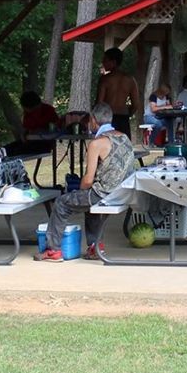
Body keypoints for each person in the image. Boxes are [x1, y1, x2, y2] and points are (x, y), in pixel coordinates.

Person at [39, 102, 136, 262]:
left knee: (61, 203)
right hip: (123, 193)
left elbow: (88, 179)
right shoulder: (124, 137)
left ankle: (53, 250)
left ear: (93, 120)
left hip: (104, 194)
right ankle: (95, 248)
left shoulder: (97, 143)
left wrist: (79, 189)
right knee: (88, 204)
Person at [94, 47, 140, 130]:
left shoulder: (105, 79)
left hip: (107, 118)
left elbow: (99, 103)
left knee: (107, 142)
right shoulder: (130, 80)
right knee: (123, 142)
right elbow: (136, 104)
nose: (103, 62)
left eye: (105, 60)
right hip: (123, 117)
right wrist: (128, 114)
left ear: (114, 62)